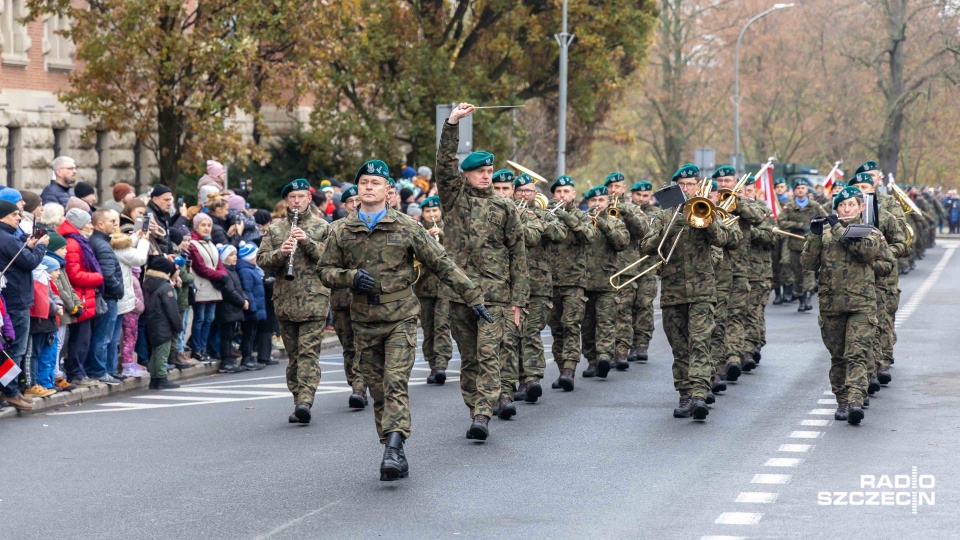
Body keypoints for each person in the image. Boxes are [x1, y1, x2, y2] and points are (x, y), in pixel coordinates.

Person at [319, 159, 485, 481]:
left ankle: (393, 449)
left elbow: (441, 263)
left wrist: (473, 296)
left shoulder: (407, 227)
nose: (369, 187)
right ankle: (393, 445)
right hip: (364, 322)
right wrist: (349, 277)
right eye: (364, 182)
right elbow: (324, 271)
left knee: (395, 383)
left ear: (388, 191)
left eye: (375, 183)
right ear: (358, 189)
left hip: (401, 319)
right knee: (378, 390)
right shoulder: (340, 230)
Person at [436, 104, 527, 436]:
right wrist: (452, 124)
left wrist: (519, 300)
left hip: (496, 297)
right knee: (470, 359)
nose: (486, 175)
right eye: (480, 171)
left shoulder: (505, 207)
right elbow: (444, 164)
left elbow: (518, 255)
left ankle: (483, 415)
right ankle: (475, 405)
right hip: (460, 294)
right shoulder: (454, 199)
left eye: (489, 171)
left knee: (490, 356)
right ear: (467, 174)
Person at [640, 164, 734, 421]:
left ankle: (699, 395)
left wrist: (707, 220)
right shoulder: (662, 216)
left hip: (703, 291)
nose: (686, 188)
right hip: (672, 293)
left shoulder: (707, 211)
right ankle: (684, 394)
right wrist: (667, 227)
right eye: (681, 185)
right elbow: (646, 246)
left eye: (690, 184)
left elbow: (724, 239)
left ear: (698, 186)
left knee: (700, 344)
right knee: (680, 348)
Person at [801, 186, 886, 425]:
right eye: (841, 205)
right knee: (838, 356)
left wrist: (838, 228)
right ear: (835, 208)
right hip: (831, 304)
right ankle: (842, 400)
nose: (846, 209)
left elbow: (865, 253)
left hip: (861, 305)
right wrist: (815, 235)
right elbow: (808, 263)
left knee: (857, 353)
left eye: (851, 205)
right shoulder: (827, 232)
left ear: (860, 207)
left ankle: (856, 400)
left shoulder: (868, 231)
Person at [257, 178, 331, 425]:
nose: (296, 201)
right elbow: (262, 260)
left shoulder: (322, 226)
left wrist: (306, 242)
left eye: (301, 197)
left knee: (309, 354)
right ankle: (298, 397)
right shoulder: (277, 229)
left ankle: (305, 401)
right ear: (286, 201)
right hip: (285, 301)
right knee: (294, 357)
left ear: (309, 199)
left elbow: (330, 258)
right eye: (292, 198)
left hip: (314, 302)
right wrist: (282, 253)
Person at [849, 171, 907, 389]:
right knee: (863, 329)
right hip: (855, 283)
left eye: (865, 188)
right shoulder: (843, 219)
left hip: (883, 278)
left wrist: (882, 254)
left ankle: (882, 362)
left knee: (882, 322)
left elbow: (902, 244)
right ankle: (868, 371)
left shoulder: (885, 215)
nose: (861, 192)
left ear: (872, 189)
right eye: (858, 189)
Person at [511, 174, 564, 402]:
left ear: (536, 194)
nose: (525, 195)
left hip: (538, 284)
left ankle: (531, 379)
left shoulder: (544, 214)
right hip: (511, 285)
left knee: (531, 332)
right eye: (521, 191)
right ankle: (517, 378)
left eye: (529, 191)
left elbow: (560, 234)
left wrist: (540, 221)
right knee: (513, 334)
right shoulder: (506, 214)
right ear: (514, 193)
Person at [545, 174, 597, 391]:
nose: (562, 195)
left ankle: (569, 369)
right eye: (558, 192)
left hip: (574, 281)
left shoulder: (582, 216)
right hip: (549, 282)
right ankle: (561, 369)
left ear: (574, 194)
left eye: (566, 191)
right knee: (556, 329)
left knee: (571, 324)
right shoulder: (547, 215)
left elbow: (589, 236)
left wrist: (566, 216)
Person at [0, 200, 49, 409]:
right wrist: (41, 248)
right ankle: (10, 391)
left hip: (9, 299)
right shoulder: (7, 238)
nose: (19, 218)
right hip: (16, 300)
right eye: (14, 215)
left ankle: (12, 391)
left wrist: (28, 246)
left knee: (12, 348)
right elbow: (29, 262)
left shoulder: (9, 238)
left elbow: (19, 256)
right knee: (16, 349)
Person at [580, 185, 630, 377]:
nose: (597, 204)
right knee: (587, 325)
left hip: (607, 282)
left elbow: (621, 243)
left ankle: (604, 357)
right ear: (588, 202)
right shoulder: (581, 220)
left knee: (606, 322)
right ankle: (592, 360)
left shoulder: (614, 222)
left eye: (601, 200)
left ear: (608, 202)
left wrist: (602, 223)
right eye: (593, 201)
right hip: (583, 283)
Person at [604, 173, 650, 365]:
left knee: (624, 310)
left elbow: (643, 232)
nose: (614, 190)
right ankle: (605, 352)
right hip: (604, 267)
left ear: (624, 189)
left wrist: (626, 213)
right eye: (611, 187)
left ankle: (622, 351)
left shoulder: (632, 208)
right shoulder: (600, 207)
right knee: (606, 313)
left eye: (618, 187)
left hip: (627, 267)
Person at [57, 208, 102, 388]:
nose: (91, 226)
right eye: (88, 222)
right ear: (79, 224)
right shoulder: (74, 243)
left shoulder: (78, 241)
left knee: (82, 338)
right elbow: (74, 274)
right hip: (79, 296)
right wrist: (98, 277)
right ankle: (76, 373)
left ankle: (78, 372)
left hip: (83, 296)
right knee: (79, 339)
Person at [413, 196, 453, 387]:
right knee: (428, 328)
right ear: (423, 214)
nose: (432, 214)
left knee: (442, 325)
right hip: (424, 287)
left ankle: (441, 366)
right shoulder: (418, 229)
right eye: (428, 211)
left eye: (435, 211)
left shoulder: (449, 229)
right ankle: (432, 364)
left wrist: (441, 235)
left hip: (445, 286)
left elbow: (454, 251)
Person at [86, 210, 125, 384]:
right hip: (107, 297)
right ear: (100, 224)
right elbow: (108, 275)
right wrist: (119, 291)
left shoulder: (96, 242)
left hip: (102, 296)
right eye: (111, 221)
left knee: (99, 335)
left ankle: (97, 369)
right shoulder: (102, 245)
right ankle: (98, 371)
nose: (115, 224)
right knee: (103, 337)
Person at [777, 177, 826, 311]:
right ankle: (800, 297)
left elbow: (825, 219)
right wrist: (798, 225)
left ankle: (807, 299)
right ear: (794, 191)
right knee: (797, 273)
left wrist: (815, 227)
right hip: (794, 244)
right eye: (798, 188)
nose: (800, 190)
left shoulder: (814, 206)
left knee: (808, 272)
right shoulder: (789, 207)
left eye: (803, 188)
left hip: (810, 244)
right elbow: (781, 222)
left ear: (806, 190)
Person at [112, 225, 151, 377]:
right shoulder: (130, 269)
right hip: (129, 307)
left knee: (126, 337)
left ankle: (128, 363)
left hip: (129, 305)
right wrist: (144, 241)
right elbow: (139, 258)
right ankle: (127, 364)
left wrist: (136, 236)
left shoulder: (117, 249)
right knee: (129, 336)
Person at [44, 231, 80, 393]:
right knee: (56, 344)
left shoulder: (60, 264)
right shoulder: (52, 265)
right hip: (60, 311)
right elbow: (60, 289)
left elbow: (69, 287)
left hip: (65, 310)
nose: (66, 251)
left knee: (60, 343)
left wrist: (76, 302)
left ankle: (56, 374)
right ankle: (55, 375)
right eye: (62, 248)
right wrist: (71, 304)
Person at [628, 181, 660, 362]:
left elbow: (646, 231)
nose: (641, 199)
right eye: (638, 195)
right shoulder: (623, 210)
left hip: (647, 265)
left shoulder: (655, 213)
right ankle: (627, 343)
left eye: (645, 196)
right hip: (626, 266)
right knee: (626, 306)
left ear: (651, 196)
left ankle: (641, 344)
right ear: (632, 194)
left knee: (644, 304)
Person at [188, 213, 226, 362]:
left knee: (209, 319)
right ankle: (197, 349)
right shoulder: (193, 244)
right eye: (203, 225)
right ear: (196, 226)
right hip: (202, 285)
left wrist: (221, 274)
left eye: (209, 225)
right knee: (200, 318)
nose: (206, 228)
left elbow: (219, 264)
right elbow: (200, 267)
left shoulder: (211, 244)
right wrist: (220, 276)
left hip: (213, 287)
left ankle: (203, 348)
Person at [142, 257, 182, 390]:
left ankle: (154, 379)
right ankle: (161, 378)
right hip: (164, 324)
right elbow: (172, 309)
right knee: (162, 353)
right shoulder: (164, 287)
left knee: (155, 352)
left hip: (152, 322)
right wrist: (178, 326)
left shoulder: (148, 283)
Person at [26, 256, 63, 398]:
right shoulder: (37, 276)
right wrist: (55, 308)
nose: (58, 273)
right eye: (56, 270)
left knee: (48, 354)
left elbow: (53, 295)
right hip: (39, 322)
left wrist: (60, 305)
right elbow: (41, 296)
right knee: (35, 354)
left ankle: (46, 382)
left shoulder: (46, 279)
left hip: (49, 322)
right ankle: (35, 383)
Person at [215, 244, 248, 373]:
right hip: (227, 308)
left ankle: (229, 360)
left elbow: (239, 288)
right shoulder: (225, 271)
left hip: (233, 308)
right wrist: (242, 302)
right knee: (226, 336)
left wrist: (245, 299)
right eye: (231, 255)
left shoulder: (232, 270)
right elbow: (229, 291)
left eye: (235, 254)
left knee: (230, 335)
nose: (235, 257)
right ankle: (226, 361)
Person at [236, 242, 267, 372]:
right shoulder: (245, 271)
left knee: (251, 334)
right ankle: (246, 358)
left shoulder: (251, 269)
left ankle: (248, 358)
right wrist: (253, 308)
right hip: (252, 310)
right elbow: (248, 291)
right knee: (248, 335)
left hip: (256, 308)